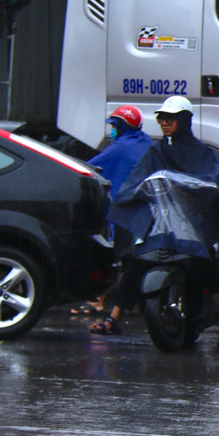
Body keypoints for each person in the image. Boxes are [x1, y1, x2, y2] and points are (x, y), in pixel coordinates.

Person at [92, 96, 219, 352]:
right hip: (161, 222)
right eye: (161, 119)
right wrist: (135, 192)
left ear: (184, 120)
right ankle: (114, 317)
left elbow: (213, 181)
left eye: (170, 119)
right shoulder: (156, 152)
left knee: (208, 265)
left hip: (192, 223)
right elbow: (137, 179)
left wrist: (191, 189)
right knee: (135, 260)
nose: (165, 123)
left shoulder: (203, 153)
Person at [74, 105, 152, 318]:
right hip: (144, 210)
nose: (112, 130)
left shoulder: (121, 147)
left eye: (114, 125)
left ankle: (97, 301)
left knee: (108, 254)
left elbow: (90, 168)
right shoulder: (146, 142)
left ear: (122, 125)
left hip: (121, 210)